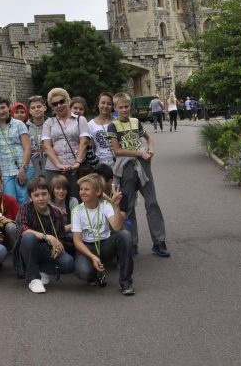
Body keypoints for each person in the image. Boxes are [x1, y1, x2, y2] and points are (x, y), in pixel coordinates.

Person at [109, 93, 170, 258]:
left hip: (142, 166)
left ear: (130, 107)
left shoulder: (136, 122)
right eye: (120, 107)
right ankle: (132, 242)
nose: (124, 110)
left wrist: (150, 148)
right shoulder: (112, 126)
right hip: (125, 167)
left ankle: (159, 241)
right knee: (128, 207)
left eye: (126, 106)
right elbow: (117, 150)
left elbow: (148, 138)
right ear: (115, 108)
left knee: (152, 202)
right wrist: (138, 153)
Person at [71, 173, 134, 296]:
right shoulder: (77, 211)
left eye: (86, 189)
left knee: (125, 235)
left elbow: (116, 227)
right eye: (81, 189)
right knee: (84, 272)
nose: (82, 192)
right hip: (87, 247)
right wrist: (93, 257)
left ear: (98, 192)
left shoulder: (105, 206)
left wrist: (116, 206)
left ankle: (126, 282)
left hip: (105, 245)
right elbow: (77, 241)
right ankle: (93, 273)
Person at [16, 176, 75, 293]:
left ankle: (43, 270)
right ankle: (33, 279)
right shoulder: (25, 208)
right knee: (28, 237)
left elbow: (60, 235)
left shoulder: (56, 212)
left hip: (47, 250)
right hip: (29, 249)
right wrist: (47, 236)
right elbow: (21, 229)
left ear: (49, 194)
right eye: (36, 195)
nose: (41, 198)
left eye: (44, 194)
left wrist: (58, 244)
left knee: (68, 263)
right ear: (30, 197)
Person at [41, 87, 90, 199]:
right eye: (55, 104)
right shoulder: (49, 122)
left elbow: (84, 142)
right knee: (55, 201)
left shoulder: (80, 120)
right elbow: (47, 146)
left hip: (75, 168)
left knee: (76, 199)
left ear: (68, 101)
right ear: (52, 107)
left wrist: (77, 162)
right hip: (54, 168)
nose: (59, 105)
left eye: (62, 101)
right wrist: (59, 164)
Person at [0, 96, 32, 203]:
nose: (1, 111)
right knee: (10, 200)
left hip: (23, 168)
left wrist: (23, 168)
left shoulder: (19, 124)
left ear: (9, 108)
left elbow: (27, 148)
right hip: (5, 171)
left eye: (3, 107)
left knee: (24, 200)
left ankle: (25, 220)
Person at [87, 92, 117, 167]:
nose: (105, 106)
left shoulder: (118, 122)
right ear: (98, 104)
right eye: (103, 103)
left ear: (113, 106)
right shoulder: (90, 124)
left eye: (109, 104)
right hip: (101, 164)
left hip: (118, 161)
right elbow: (91, 148)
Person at [25, 95, 48, 179]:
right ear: (29, 111)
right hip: (33, 165)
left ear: (45, 107)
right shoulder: (25, 127)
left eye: (39, 106)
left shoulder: (52, 124)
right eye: (33, 108)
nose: (36, 109)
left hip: (50, 164)